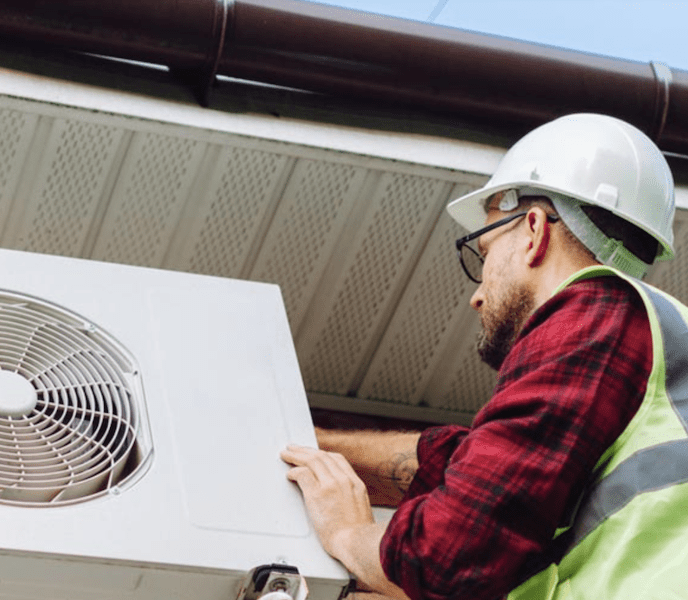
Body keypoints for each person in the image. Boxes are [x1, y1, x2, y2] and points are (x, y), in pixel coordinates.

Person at [281, 113, 688, 600]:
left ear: (533, 230)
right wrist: (311, 444)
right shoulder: (655, 348)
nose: (476, 296)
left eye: (486, 251)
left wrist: (347, 532)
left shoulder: (593, 311)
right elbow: (473, 466)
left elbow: (447, 559)